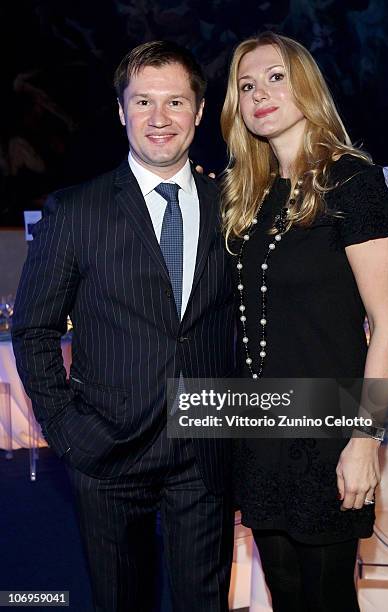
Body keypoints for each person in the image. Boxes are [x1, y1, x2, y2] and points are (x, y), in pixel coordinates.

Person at [12, 41, 235, 612]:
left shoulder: (232, 204)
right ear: (121, 111)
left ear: (199, 112)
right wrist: (67, 430)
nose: (159, 119)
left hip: (205, 449)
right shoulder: (76, 210)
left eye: (175, 102)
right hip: (106, 450)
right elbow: (34, 330)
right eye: (143, 102)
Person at [220, 32, 388, 611]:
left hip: (329, 433)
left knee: (326, 600)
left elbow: (387, 322)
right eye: (247, 86)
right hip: (260, 432)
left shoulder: (352, 181)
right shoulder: (248, 195)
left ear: (306, 85)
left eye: (275, 77)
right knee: (285, 593)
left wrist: (364, 437)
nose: (261, 94)